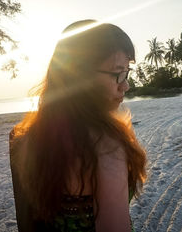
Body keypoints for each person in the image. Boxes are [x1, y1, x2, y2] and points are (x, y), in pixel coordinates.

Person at [9, 20, 147, 232]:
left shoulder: (23, 137)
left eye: (127, 72)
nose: (125, 85)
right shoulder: (106, 146)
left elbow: (26, 221)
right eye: (117, 73)